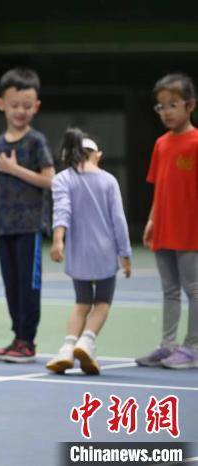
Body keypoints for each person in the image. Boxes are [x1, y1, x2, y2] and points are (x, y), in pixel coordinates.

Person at [45, 129, 132, 375]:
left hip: (78, 254)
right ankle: (87, 341)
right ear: (97, 156)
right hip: (105, 254)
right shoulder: (108, 181)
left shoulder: (63, 179)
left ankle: (67, 347)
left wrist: (58, 240)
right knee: (102, 303)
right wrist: (125, 255)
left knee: (81, 302)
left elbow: (61, 211)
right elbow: (119, 221)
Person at [0, 68, 55, 363]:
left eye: (27, 106)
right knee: (11, 285)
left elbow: (51, 179)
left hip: (29, 226)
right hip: (3, 227)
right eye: (15, 105)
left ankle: (28, 341)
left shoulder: (36, 142)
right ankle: (17, 338)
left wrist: (16, 170)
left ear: (36, 106)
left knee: (29, 285)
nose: (20, 111)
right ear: (2, 104)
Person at [136, 73, 198, 370]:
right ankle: (168, 345)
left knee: (194, 289)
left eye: (173, 105)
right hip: (164, 228)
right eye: (161, 107)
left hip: (190, 231)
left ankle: (193, 347)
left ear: (190, 106)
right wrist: (151, 221)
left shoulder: (196, 142)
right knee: (170, 290)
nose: (167, 112)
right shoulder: (160, 144)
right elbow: (159, 188)